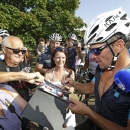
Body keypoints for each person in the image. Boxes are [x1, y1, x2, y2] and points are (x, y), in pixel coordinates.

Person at [62, 8, 130, 130]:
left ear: (118, 45)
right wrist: (74, 83)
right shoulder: (102, 66)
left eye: (97, 50)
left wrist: (89, 112)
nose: (92, 57)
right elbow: (92, 87)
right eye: (91, 50)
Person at [0, 36, 44, 101]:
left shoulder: (26, 68)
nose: (20, 53)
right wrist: (23, 76)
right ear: (4, 50)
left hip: (25, 107)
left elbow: (34, 90)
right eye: (16, 50)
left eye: (23, 51)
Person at [44, 47, 76, 128]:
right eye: (58, 57)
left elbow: (72, 89)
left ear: (66, 58)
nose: (60, 60)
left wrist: (69, 89)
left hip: (66, 105)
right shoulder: (48, 73)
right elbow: (44, 90)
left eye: (63, 57)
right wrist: (56, 88)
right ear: (54, 58)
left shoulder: (70, 72)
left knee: (69, 127)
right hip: (51, 106)